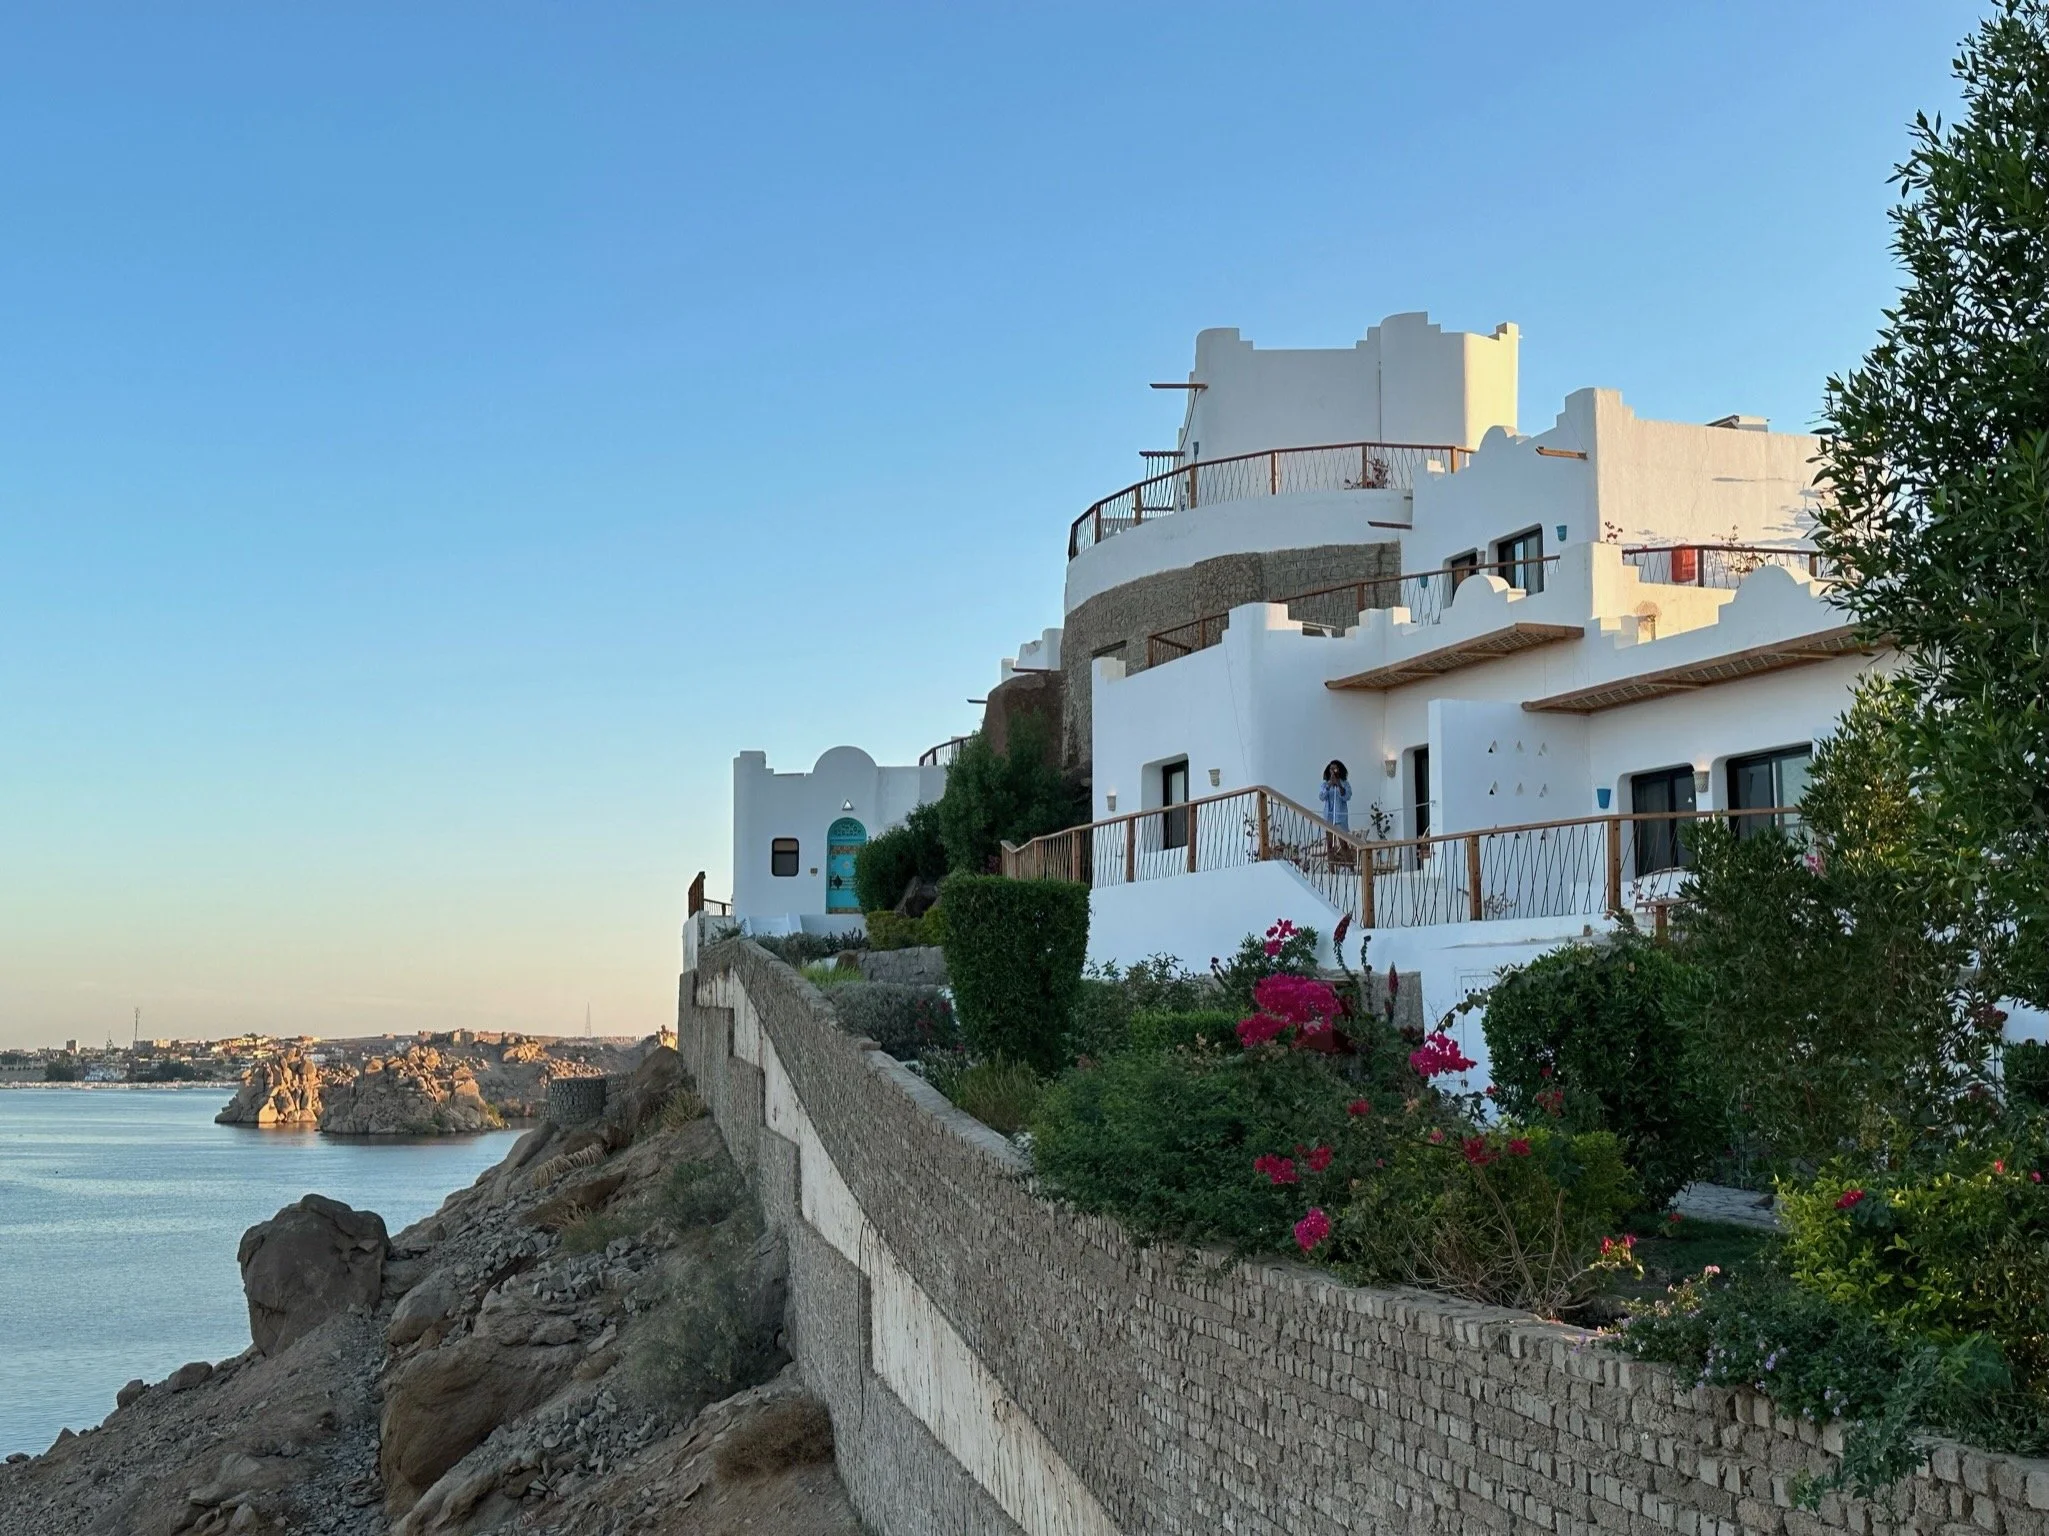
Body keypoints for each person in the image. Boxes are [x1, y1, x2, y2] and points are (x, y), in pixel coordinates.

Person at [1319, 759, 1352, 834]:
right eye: (1331, 769)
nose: (1333, 771)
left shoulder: (1345, 783)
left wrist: (1339, 784)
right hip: (1328, 817)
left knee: (1343, 841)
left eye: (1335, 769)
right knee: (1329, 842)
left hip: (1340, 817)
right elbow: (1321, 797)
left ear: (1339, 770)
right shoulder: (1325, 784)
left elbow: (1347, 797)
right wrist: (1329, 784)